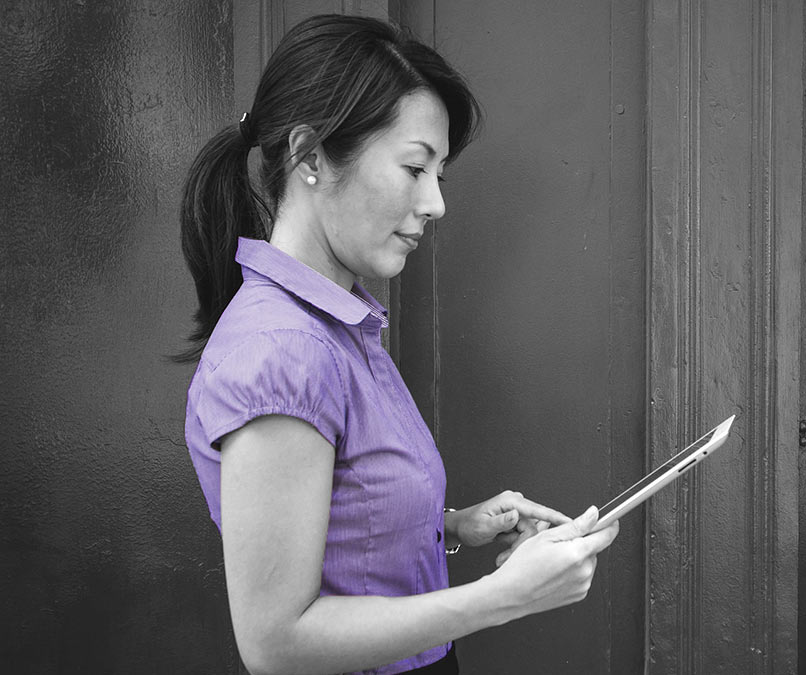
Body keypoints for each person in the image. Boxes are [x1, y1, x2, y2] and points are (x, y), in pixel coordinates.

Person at [176, 15, 619, 675]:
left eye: (439, 173)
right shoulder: (282, 350)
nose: (435, 202)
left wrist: (454, 525)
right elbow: (276, 640)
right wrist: (500, 596)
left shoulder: (334, 323)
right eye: (415, 167)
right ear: (311, 157)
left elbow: (335, 521)